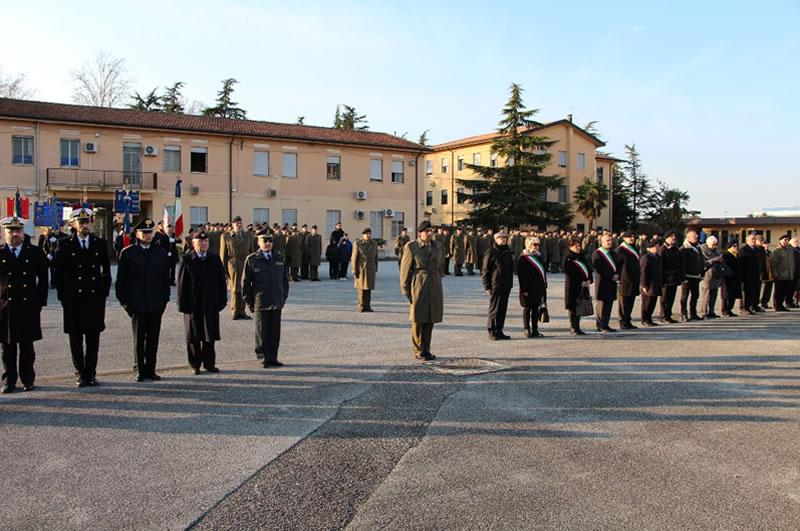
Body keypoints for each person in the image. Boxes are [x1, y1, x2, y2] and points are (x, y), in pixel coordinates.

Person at [53, 208, 111, 387]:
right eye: (81, 222)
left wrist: (103, 293)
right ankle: (80, 373)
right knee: (75, 338)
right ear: (74, 224)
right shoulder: (64, 244)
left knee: (93, 339)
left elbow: (106, 272)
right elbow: (58, 273)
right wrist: (63, 297)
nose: (85, 225)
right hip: (74, 299)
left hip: (94, 299)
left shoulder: (99, 243)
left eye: (87, 222)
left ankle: (91, 373)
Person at [115, 218, 171, 382]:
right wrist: (126, 304)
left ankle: (151, 369)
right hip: (137, 304)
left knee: (153, 339)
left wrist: (164, 301)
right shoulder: (128, 253)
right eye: (144, 233)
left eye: (150, 233)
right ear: (137, 234)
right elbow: (121, 283)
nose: (148, 236)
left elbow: (165, 280)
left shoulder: (159, 252)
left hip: (155, 303)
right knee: (139, 340)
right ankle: (139, 369)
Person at [0, 216, 48, 394]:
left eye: (18, 231)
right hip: (6, 306)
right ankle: (9, 381)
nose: (15, 234)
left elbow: (43, 279)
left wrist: (40, 303)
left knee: (27, 347)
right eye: (11, 231)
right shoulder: (1, 253)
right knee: (7, 347)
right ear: (4, 233)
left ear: (23, 233)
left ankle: (28, 379)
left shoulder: (34, 252)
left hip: (28, 306)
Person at [177, 231, 227, 374]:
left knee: (209, 334)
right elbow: (181, 284)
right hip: (192, 304)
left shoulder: (214, 259)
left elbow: (221, 282)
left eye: (205, 242)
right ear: (193, 244)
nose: (203, 244)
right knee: (193, 336)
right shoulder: (187, 259)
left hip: (210, 303)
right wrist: (182, 304)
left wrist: (222, 300)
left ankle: (209, 363)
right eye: (200, 242)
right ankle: (195, 364)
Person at [242, 230, 290, 368]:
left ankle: (273, 357)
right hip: (261, 301)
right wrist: (250, 302)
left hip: (276, 301)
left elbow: (285, 281)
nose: (268, 243)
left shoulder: (279, 257)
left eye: (270, 241)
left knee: (274, 332)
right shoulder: (252, 259)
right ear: (258, 242)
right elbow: (245, 284)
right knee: (261, 332)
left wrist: (283, 297)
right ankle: (263, 357)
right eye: (265, 241)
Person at [400, 220, 443, 361]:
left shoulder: (437, 246)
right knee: (419, 319)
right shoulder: (412, 247)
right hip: (419, 283)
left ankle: (427, 349)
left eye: (431, 231)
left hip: (434, 284)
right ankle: (418, 349)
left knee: (431, 318)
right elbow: (405, 270)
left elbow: (439, 265)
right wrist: (406, 289)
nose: (430, 233)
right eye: (427, 231)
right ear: (420, 233)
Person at [221, 216, 255, 319]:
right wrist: (224, 270)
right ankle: (235, 311)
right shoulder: (226, 236)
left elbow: (252, 251)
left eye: (240, 223)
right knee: (235, 288)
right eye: (237, 223)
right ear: (232, 225)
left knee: (244, 287)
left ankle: (242, 311)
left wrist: (253, 266)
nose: (239, 225)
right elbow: (223, 254)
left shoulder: (248, 235)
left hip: (245, 263)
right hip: (233, 264)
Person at [482, 230, 513, 340]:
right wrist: (487, 286)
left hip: (506, 284)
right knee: (494, 308)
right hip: (496, 284)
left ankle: (499, 329)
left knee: (503, 308)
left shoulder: (508, 251)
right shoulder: (491, 252)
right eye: (501, 238)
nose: (503, 239)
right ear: (496, 239)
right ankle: (492, 330)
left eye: (505, 238)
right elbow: (485, 270)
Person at [517, 236, 547, 338]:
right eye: (535, 244)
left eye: (538, 244)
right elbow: (521, 276)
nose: (537, 247)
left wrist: (544, 285)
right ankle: (527, 329)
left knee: (535, 309)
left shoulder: (539, 256)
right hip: (528, 288)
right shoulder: (524, 258)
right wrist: (524, 289)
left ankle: (535, 329)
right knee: (527, 308)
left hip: (538, 287)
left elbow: (543, 272)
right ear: (529, 245)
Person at [564, 237, 592, 335]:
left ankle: (578, 327)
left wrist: (589, 280)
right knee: (573, 307)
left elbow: (588, 268)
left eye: (579, 246)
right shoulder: (568, 257)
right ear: (571, 247)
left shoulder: (581, 256)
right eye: (576, 246)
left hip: (583, 286)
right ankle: (573, 327)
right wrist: (581, 281)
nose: (578, 248)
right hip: (572, 286)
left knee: (579, 306)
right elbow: (569, 273)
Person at [592, 232, 618, 333]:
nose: (609, 242)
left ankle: (606, 324)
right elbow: (599, 268)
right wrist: (611, 275)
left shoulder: (613, 253)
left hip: (612, 282)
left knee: (609, 304)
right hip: (602, 282)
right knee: (602, 305)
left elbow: (617, 265)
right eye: (607, 241)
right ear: (601, 242)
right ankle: (600, 325)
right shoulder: (597, 253)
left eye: (610, 240)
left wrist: (617, 274)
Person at [616, 231, 640, 330]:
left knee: (631, 301)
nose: (631, 238)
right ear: (624, 238)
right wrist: (618, 278)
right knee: (624, 302)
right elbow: (617, 266)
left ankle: (628, 320)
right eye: (629, 237)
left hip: (634, 278)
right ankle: (623, 321)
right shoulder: (620, 250)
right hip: (624, 280)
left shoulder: (634, 248)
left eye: (633, 237)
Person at [679, 229, 705, 321]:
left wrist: (702, 273)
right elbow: (682, 264)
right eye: (694, 236)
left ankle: (693, 313)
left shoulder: (698, 247)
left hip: (696, 276)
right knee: (685, 296)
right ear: (688, 237)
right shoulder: (684, 249)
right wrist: (682, 278)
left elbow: (701, 261)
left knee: (695, 295)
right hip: (687, 276)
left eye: (697, 236)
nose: (696, 238)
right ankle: (683, 314)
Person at [352, 227, 378, 312]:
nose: (368, 235)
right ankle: (361, 305)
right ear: (363, 235)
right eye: (367, 234)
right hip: (361, 267)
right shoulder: (358, 243)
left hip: (370, 267)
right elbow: (354, 257)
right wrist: (354, 270)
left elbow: (376, 257)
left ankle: (368, 305)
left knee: (369, 287)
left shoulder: (374, 243)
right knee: (361, 288)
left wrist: (376, 267)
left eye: (369, 234)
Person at [658, 231, 682, 323]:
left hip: (674, 278)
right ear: (666, 238)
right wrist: (661, 279)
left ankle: (668, 315)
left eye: (674, 236)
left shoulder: (675, 249)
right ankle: (663, 315)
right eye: (672, 236)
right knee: (665, 299)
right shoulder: (662, 249)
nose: (674, 238)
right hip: (666, 278)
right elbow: (661, 266)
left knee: (671, 298)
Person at [639, 237, 663, 326]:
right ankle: (644, 319)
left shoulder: (658, 257)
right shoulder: (646, 258)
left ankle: (649, 318)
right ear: (649, 248)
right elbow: (643, 272)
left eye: (657, 246)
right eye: (655, 247)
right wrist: (643, 285)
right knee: (647, 302)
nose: (657, 248)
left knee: (653, 302)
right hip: (649, 283)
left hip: (656, 283)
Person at [699, 235, 724, 319]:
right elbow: (704, 263)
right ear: (707, 243)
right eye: (713, 245)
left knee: (714, 294)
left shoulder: (716, 250)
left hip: (716, 275)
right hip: (707, 276)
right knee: (706, 295)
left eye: (715, 244)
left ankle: (711, 311)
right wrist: (714, 260)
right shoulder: (702, 250)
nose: (714, 246)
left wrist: (720, 259)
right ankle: (703, 312)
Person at [769, 233, 795, 311]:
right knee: (779, 292)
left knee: (785, 292)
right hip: (780, 275)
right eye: (784, 240)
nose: (786, 241)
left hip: (788, 275)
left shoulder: (789, 250)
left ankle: (781, 305)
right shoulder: (777, 251)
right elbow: (773, 264)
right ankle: (778, 305)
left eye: (787, 240)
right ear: (780, 241)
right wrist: (775, 274)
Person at [738, 232, 762, 314]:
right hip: (746, 275)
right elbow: (741, 264)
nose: (754, 241)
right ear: (747, 240)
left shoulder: (757, 250)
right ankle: (744, 307)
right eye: (752, 239)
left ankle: (751, 306)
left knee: (753, 292)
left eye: (755, 239)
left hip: (755, 275)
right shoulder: (743, 250)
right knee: (746, 292)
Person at [721, 240, 742, 317]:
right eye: (734, 246)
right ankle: (725, 310)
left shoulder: (737, 255)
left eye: (737, 246)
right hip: (728, 278)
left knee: (733, 294)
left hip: (735, 277)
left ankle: (730, 309)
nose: (736, 247)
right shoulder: (726, 255)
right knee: (727, 295)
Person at [757, 237, 773, 310]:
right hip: (763, 274)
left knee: (768, 290)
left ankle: (765, 302)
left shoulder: (770, 253)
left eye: (766, 244)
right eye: (764, 244)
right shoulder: (760, 252)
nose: (766, 245)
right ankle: (760, 302)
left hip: (770, 274)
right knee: (762, 290)